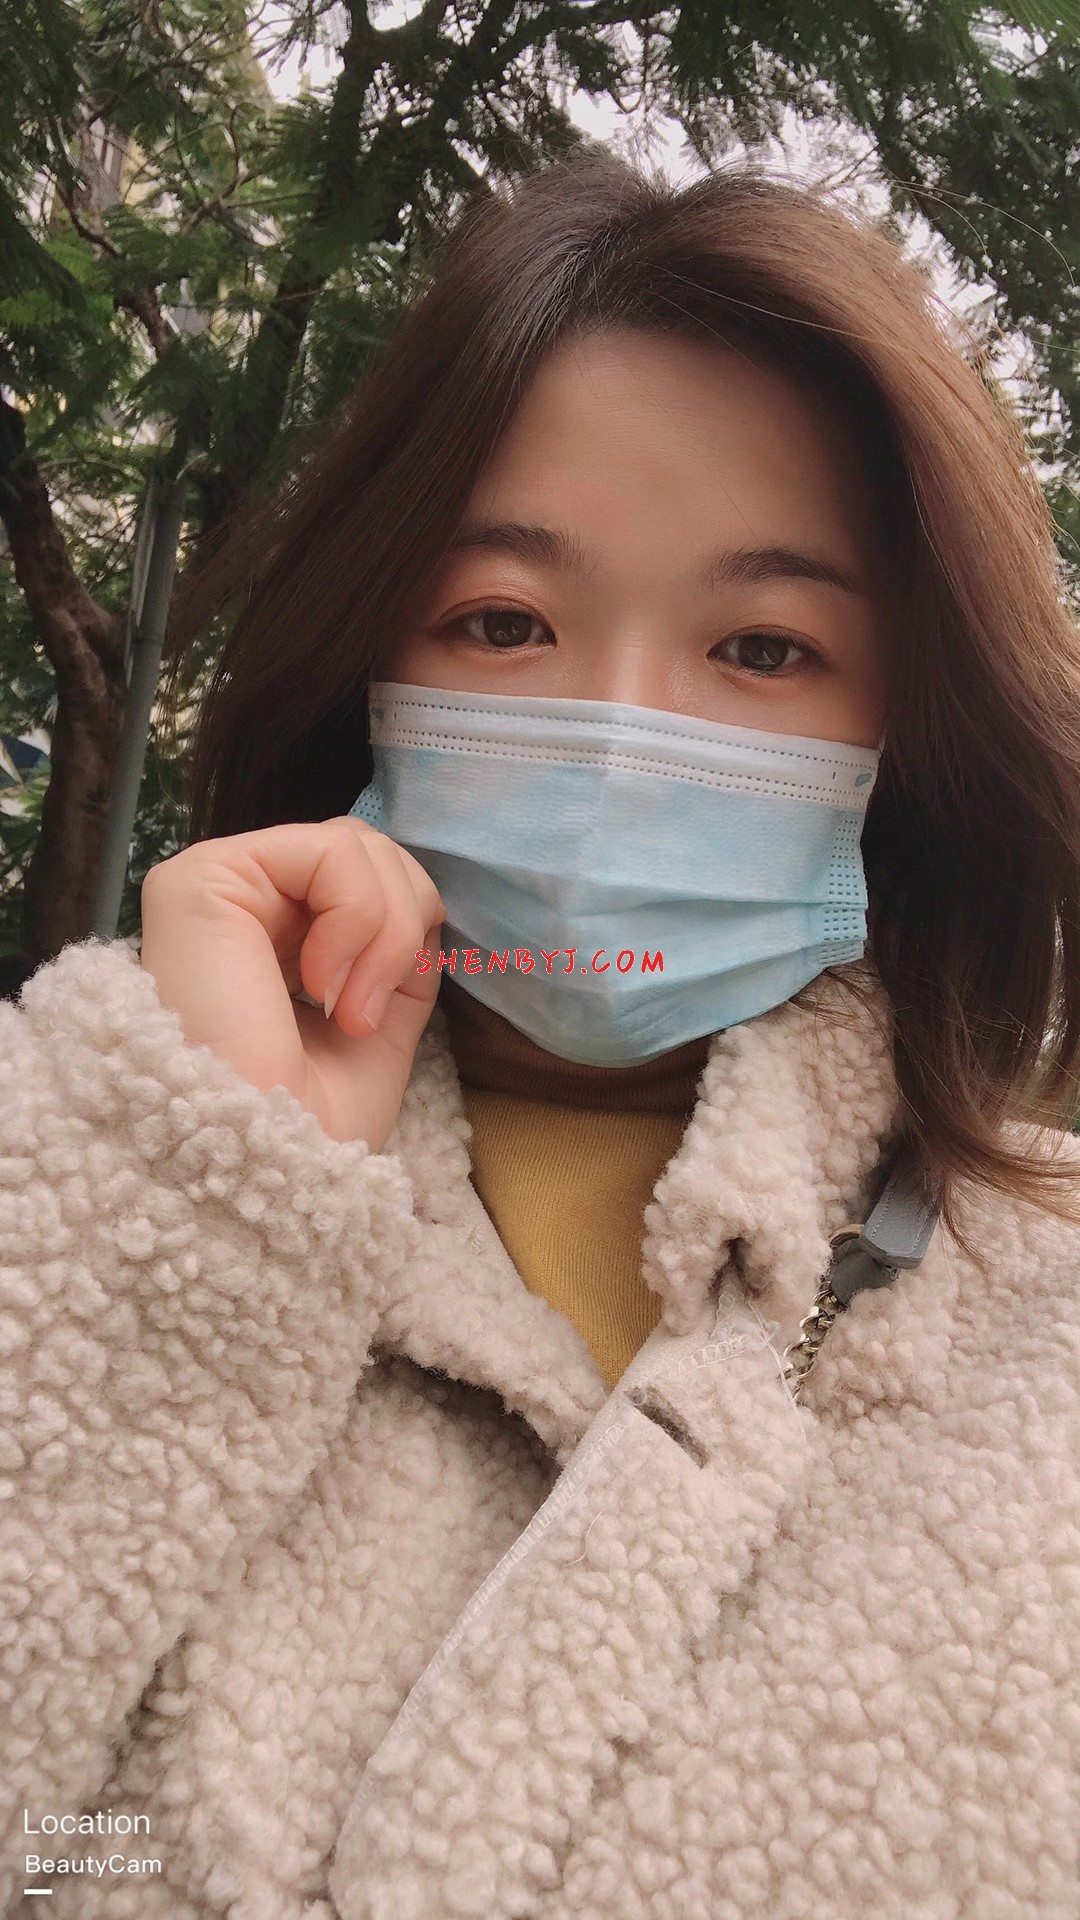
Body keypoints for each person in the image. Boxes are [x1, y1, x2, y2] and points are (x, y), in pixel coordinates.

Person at [3, 143, 1080, 1920]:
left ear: (914, 730)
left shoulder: (1042, 1312)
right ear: (368, 658)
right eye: (504, 621)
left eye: (764, 648)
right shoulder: (66, 1158)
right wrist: (190, 1193)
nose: (615, 742)